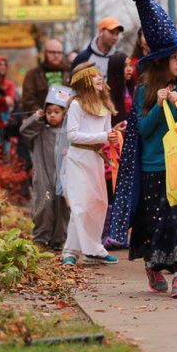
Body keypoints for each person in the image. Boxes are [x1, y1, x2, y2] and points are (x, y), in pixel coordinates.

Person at [110, 0, 177, 299]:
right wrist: (157, 106)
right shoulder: (144, 90)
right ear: (163, 62)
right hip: (153, 166)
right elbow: (143, 130)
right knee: (154, 223)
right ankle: (153, 266)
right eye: (175, 59)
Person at [60, 62, 121, 266]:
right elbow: (72, 134)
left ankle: (93, 248)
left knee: (98, 203)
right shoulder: (76, 105)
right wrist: (103, 135)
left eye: (100, 75)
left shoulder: (104, 106)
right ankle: (70, 251)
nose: (99, 78)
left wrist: (112, 136)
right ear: (86, 81)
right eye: (94, 76)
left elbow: (105, 134)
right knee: (80, 205)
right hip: (78, 158)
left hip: (95, 159)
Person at [19, 85, 72, 251]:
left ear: (64, 113)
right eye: (49, 112)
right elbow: (24, 131)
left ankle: (58, 239)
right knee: (44, 204)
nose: (53, 115)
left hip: (63, 177)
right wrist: (36, 117)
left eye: (57, 112)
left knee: (62, 208)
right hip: (43, 175)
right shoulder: (40, 132)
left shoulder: (68, 133)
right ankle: (41, 237)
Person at [22, 39, 70, 114]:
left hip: (67, 120)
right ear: (45, 53)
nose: (56, 55)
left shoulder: (70, 73)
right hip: (41, 121)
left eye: (59, 53)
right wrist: (39, 112)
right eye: (52, 52)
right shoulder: (33, 75)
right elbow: (28, 100)